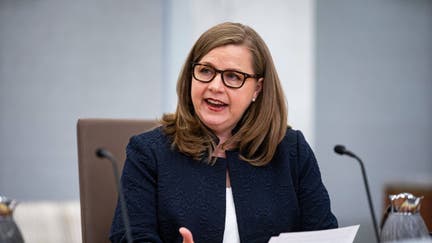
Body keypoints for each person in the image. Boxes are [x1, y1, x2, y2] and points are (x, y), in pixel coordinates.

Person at [110, 22, 338, 243]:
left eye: (233, 76)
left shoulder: (291, 150)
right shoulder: (149, 152)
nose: (215, 86)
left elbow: (323, 234)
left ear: (257, 88)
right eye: (206, 71)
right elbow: (130, 236)